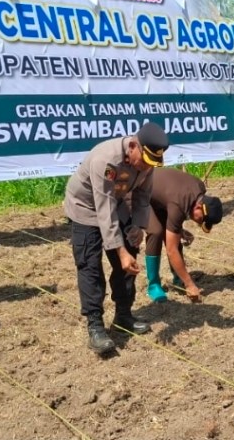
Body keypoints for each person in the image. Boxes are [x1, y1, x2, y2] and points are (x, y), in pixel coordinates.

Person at [63, 123, 169, 355]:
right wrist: (119, 251)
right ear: (132, 146)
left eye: (151, 165)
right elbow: (104, 209)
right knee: (89, 266)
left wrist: (139, 227)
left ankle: (123, 315)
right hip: (86, 208)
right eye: (143, 162)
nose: (145, 168)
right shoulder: (106, 160)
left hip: (116, 204)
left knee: (129, 255)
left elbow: (142, 196)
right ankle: (96, 327)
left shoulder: (147, 163)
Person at [144, 168, 223, 304]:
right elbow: (171, 250)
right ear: (199, 207)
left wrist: (178, 230)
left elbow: (172, 200)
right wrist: (190, 284)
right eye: (201, 220)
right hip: (140, 192)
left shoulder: (199, 188)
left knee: (173, 234)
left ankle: (177, 278)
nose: (199, 223)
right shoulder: (179, 203)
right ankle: (154, 284)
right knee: (156, 232)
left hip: (160, 196)